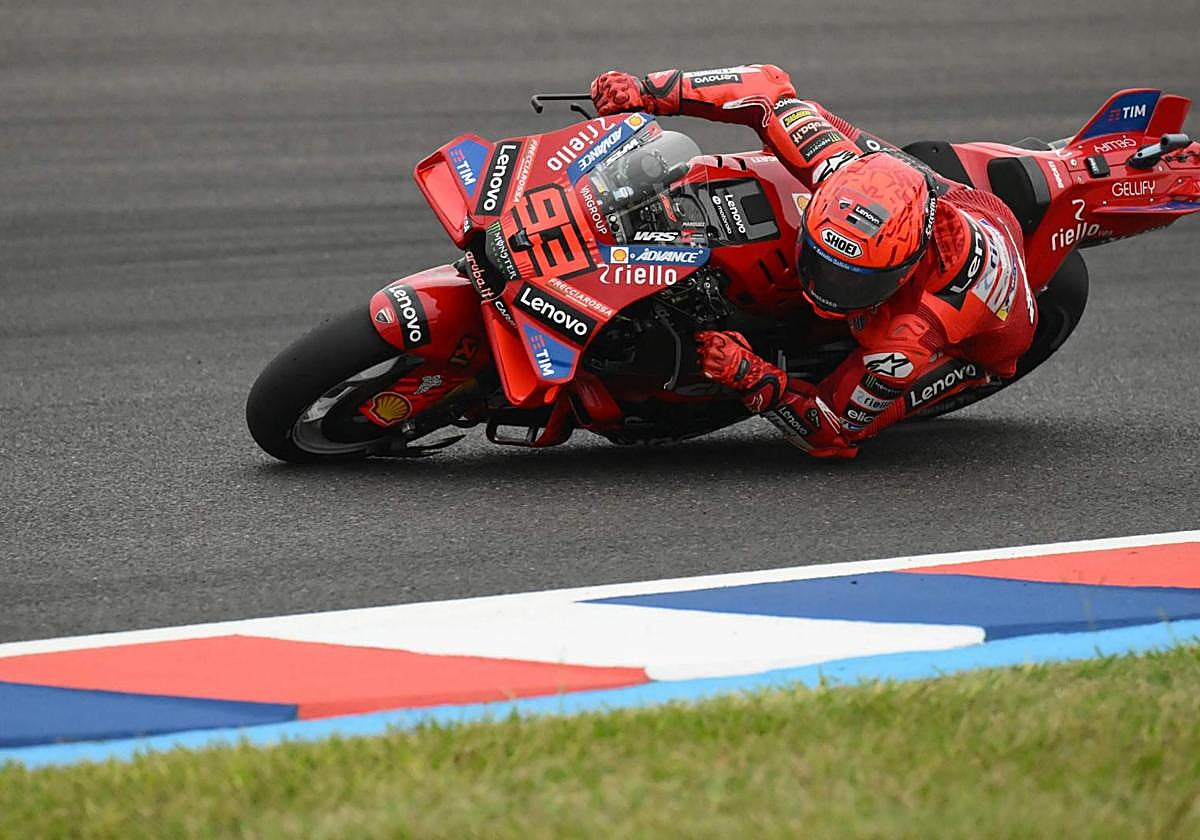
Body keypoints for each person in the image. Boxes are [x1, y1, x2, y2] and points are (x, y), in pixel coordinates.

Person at [590, 66, 1038, 458]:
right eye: (823, 264)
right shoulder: (837, 165)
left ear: (903, 271)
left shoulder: (910, 335)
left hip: (982, 340)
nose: (825, 287)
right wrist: (648, 90)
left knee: (883, 398)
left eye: (851, 282)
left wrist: (755, 379)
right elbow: (765, 89)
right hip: (953, 199)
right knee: (776, 162)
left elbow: (833, 435)